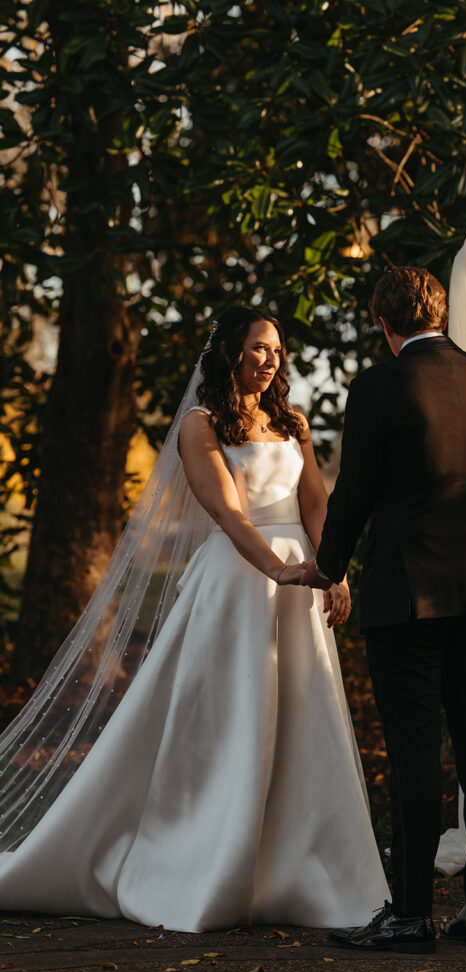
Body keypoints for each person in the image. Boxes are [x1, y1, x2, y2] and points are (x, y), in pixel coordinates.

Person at [0, 306, 390, 932]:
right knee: (234, 718)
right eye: (260, 347)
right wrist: (279, 570)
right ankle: (202, 861)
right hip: (240, 581)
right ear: (231, 352)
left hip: (302, 580)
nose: (272, 359)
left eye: (277, 348)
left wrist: (332, 569)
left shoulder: (291, 422)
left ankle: (304, 870)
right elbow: (230, 514)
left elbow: (316, 500)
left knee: (303, 720)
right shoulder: (199, 425)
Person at [300, 266, 466, 951]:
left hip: (409, 592)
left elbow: (354, 492)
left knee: (413, 753)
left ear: (382, 322)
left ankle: (410, 915)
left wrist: (327, 567)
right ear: (445, 316)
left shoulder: (379, 385)